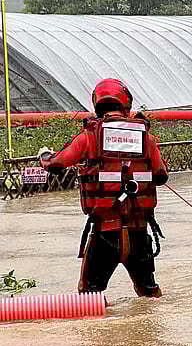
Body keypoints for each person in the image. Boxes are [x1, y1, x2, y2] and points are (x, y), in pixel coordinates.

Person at [39, 78, 168, 297]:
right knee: (150, 295)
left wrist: (44, 156)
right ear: (125, 103)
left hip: (105, 234)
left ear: (97, 103)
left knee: (89, 297)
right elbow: (161, 176)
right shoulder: (147, 137)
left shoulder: (89, 137)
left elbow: (56, 164)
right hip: (139, 233)